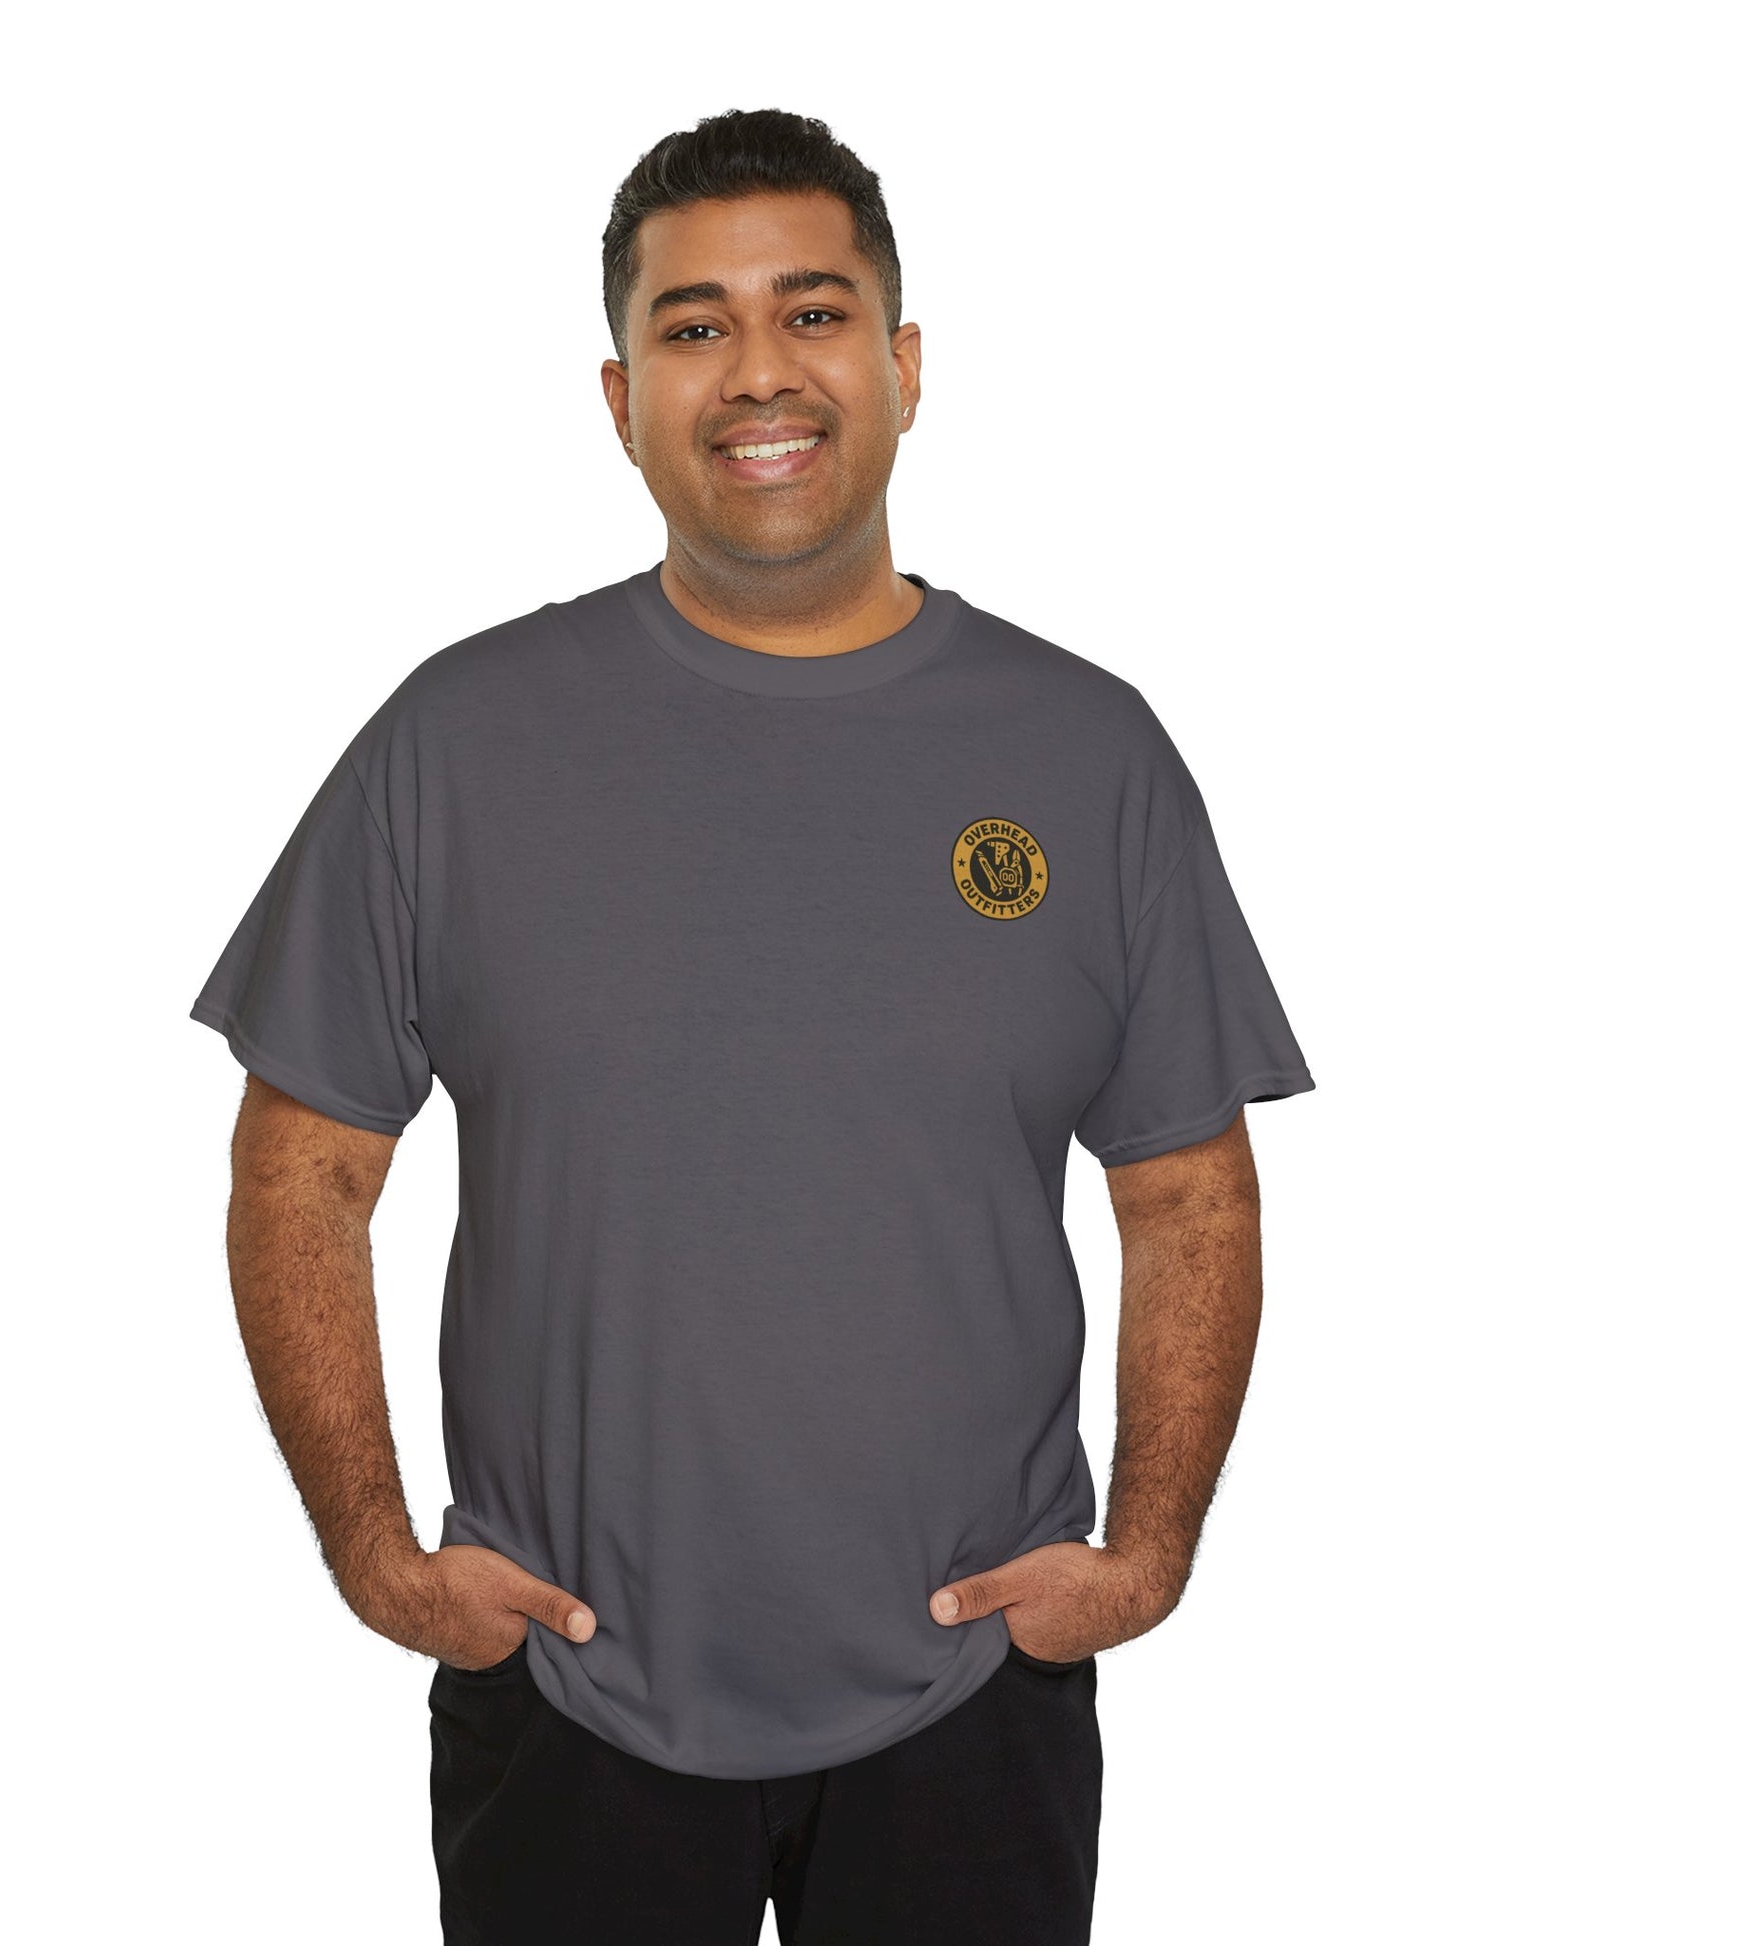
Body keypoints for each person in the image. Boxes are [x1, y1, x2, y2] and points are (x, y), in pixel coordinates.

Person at [189, 106, 1316, 1946]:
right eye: (694, 326)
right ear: (620, 396)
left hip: (975, 1683)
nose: (759, 371)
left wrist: (1147, 1552)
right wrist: (379, 1555)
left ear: (905, 364)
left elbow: (1187, 1189)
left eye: (812, 310)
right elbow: (299, 1171)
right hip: (567, 1684)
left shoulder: (1086, 752)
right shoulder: (454, 745)